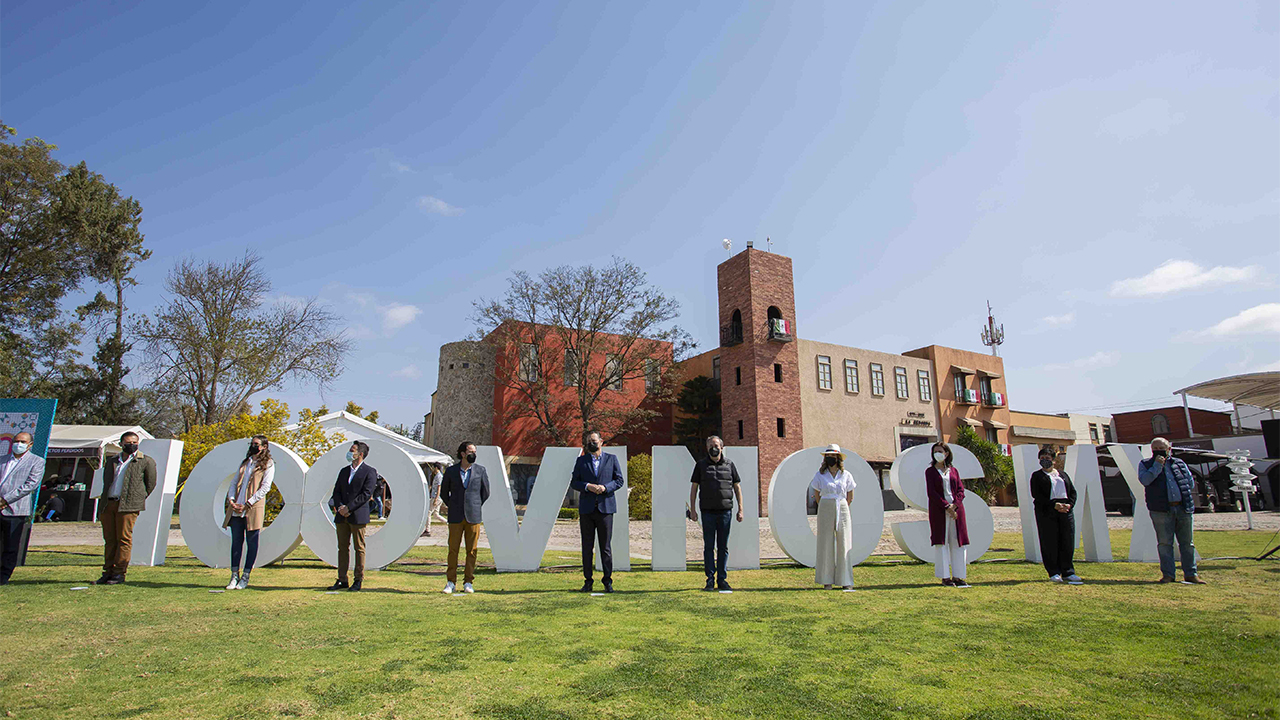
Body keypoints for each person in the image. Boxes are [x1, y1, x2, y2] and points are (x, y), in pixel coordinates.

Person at [95, 432, 157, 586]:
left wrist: (137, 498)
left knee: (123, 539)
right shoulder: (112, 461)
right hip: (109, 503)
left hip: (128, 505)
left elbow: (151, 484)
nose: (132, 445)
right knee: (109, 540)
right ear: (121, 443)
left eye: (135, 442)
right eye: (128, 442)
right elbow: (107, 481)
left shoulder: (145, 461)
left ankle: (119, 573)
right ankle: (107, 571)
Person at [1139, 437, 1204, 584]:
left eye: (1162, 448)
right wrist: (1156, 466)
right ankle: (1168, 575)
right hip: (1161, 509)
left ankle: (1191, 574)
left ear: (1169, 449)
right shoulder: (1145, 464)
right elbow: (1145, 480)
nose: (1159, 451)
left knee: (1187, 543)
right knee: (1164, 544)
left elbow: (1189, 482)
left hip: (1182, 507)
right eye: (1155, 449)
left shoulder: (1178, 463)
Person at [570, 431, 625, 593]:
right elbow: (575, 482)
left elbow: (619, 480)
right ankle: (588, 581)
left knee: (605, 547)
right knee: (587, 547)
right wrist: (588, 486)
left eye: (594, 441)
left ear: (601, 441)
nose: (591, 444)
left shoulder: (611, 459)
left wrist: (605, 488)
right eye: (588, 442)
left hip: (606, 508)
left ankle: (607, 581)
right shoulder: (581, 461)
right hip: (587, 509)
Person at [688, 435, 744, 591]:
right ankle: (710, 580)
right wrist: (693, 509)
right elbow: (694, 489)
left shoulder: (730, 465)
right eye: (711, 445)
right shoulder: (700, 466)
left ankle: (722, 579)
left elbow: (737, 487)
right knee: (708, 547)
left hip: (726, 512)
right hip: (707, 512)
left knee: (723, 547)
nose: (714, 448)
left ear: (722, 447)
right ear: (707, 448)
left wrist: (741, 509)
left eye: (717, 445)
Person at [221, 435, 275, 590]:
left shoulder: (268, 464)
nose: (253, 446)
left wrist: (248, 503)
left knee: (252, 542)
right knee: (236, 542)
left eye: (256, 444)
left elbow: (265, 487)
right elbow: (234, 481)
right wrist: (232, 499)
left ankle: (245, 576)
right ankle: (234, 576)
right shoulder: (246, 462)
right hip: (236, 507)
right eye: (252, 444)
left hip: (252, 508)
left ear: (264, 446)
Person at [439, 442, 489, 594]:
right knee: (453, 550)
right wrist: (453, 505)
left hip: (473, 515)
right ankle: (450, 581)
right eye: (470, 451)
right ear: (462, 453)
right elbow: (444, 493)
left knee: (472, 550)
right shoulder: (451, 471)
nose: (473, 453)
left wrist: (475, 505)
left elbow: (485, 492)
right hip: (455, 516)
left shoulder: (480, 470)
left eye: (474, 451)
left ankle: (468, 581)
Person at [328, 441, 377, 592]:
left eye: (352, 450)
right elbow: (336, 491)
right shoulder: (344, 471)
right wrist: (341, 507)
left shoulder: (369, 471)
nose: (350, 453)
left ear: (360, 454)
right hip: (342, 516)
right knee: (342, 548)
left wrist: (349, 508)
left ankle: (358, 579)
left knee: (359, 547)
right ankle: (342, 578)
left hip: (357, 515)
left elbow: (366, 494)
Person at [1029, 447, 1082, 585]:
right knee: (1049, 541)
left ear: (1053, 459)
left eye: (1047, 458)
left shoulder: (1062, 475)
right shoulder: (1037, 476)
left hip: (1065, 511)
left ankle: (1068, 571)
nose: (1045, 460)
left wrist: (1069, 505)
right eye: (1042, 458)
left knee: (1067, 541)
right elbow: (1037, 495)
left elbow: (1072, 492)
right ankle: (1053, 571)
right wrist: (1053, 505)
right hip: (1047, 512)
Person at [808, 444, 856, 590]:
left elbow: (850, 495)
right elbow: (817, 494)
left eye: (834, 456)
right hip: (826, 505)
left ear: (838, 458)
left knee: (844, 542)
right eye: (828, 456)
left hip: (841, 505)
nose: (831, 458)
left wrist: (843, 506)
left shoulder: (846, 474)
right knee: (825, 542)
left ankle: (845, 580)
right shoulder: (820, 475)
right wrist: (824, 505)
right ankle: (826, 580)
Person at [0, 432, 46, 585]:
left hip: (15, 509)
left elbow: (30, 485)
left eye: (22, 441)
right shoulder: (3, 460)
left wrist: (5, 499)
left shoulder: (36, 462)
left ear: (30, 444)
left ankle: (4, 575)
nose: (18, 444)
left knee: (10, 545)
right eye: (16, 441)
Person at [926, 442, 970, 588]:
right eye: (935, 451)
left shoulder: (954, 471)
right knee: (942, 543)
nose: (937, 453)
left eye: (940, 451)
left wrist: (954, 505)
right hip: (939, 511)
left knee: (958, 542)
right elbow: (932, 493)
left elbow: (960, 490)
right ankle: (945, 576)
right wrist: (946, 506)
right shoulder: (930, 472)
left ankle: (959, 576)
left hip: (956, 512)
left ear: (946, 453)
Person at [425, 463, 445, 536]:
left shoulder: (439, 476)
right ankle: (449, 523)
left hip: (436, 497)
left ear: (436, 468)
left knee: (428, 512)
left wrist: (436, 499)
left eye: (433, 468)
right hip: (437, 497)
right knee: (436, 515)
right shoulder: (436, 476)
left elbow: (439, 488)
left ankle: (427, 530)